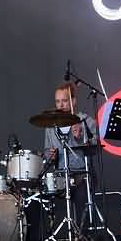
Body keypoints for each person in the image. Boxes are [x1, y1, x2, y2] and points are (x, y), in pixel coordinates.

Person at [42, 82, 98, 224]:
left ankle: (83, 235)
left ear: (73, 101)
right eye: (57, 101)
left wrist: (81, 137)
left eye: (64, 101)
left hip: (82, 175)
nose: (60, 105)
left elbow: (96, 145)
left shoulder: (85, 120)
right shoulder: (51, 126)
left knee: (82, 204)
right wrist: (51, 156)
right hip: (61, 177)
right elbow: (47, 152)